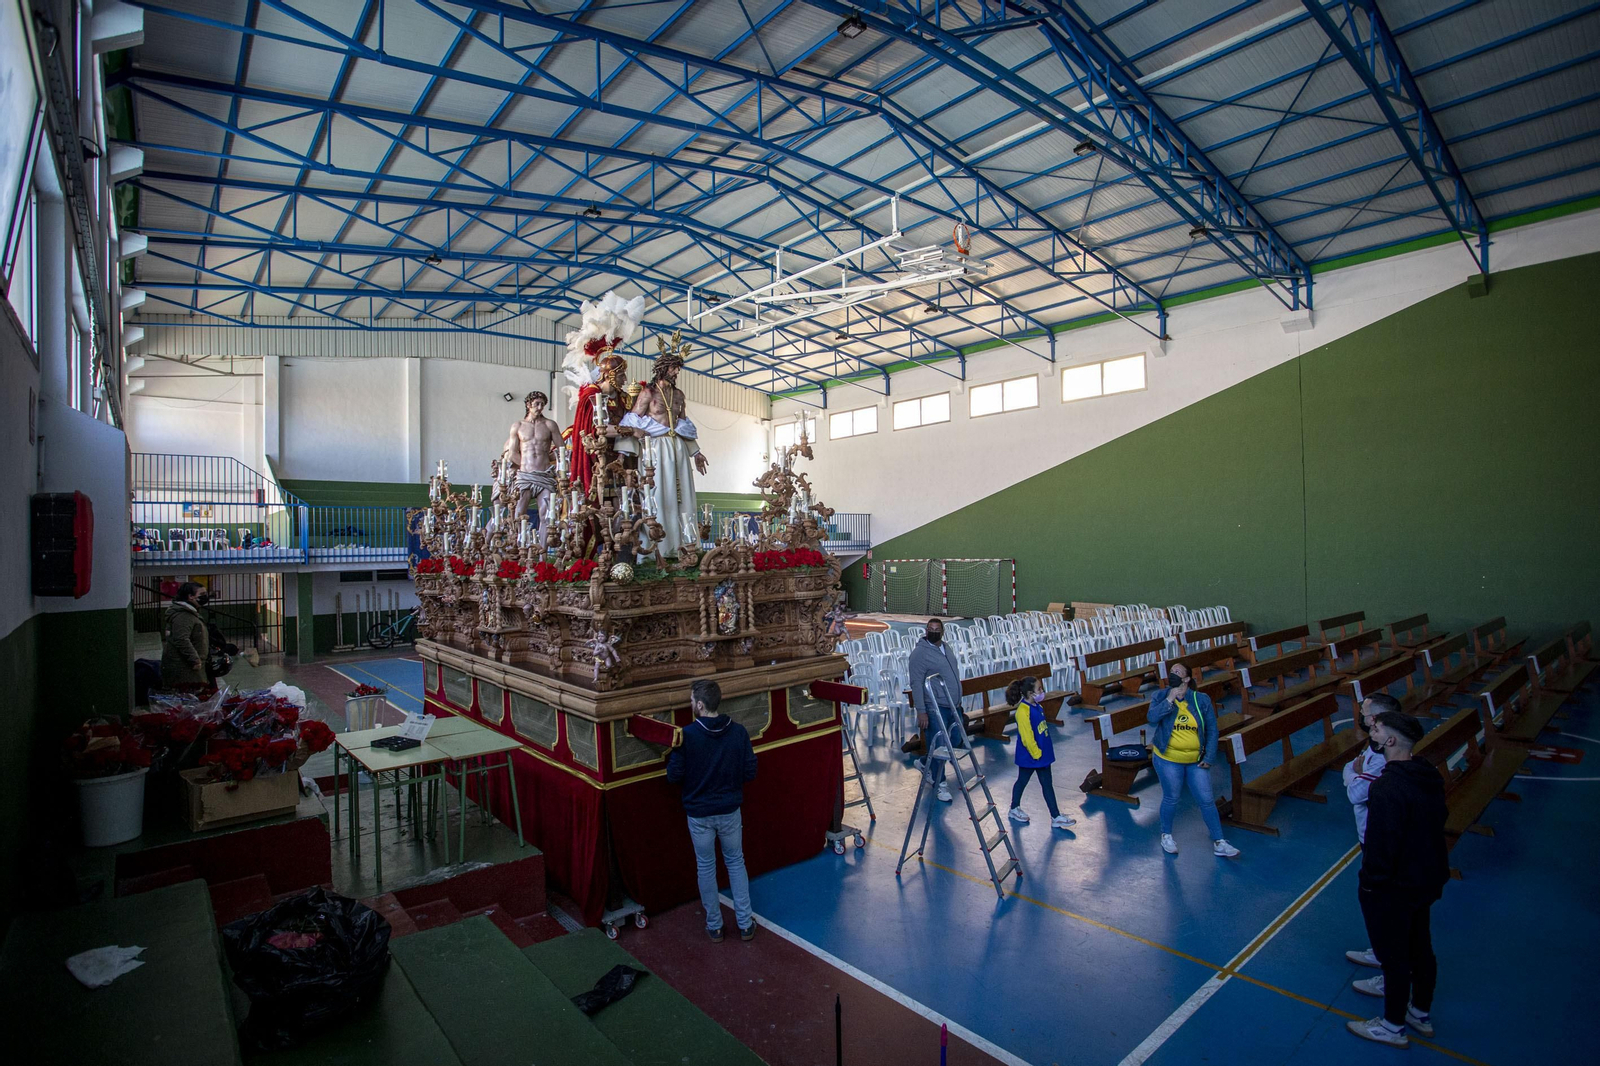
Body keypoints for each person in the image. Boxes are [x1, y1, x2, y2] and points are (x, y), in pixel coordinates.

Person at [1347, 710, 1448, 1049]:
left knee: (1394, 956)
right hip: (1427, 877)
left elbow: (1382, 843)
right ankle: (1419, 1012)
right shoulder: (1426, 774)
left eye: (1375, 728)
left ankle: (1391, 1026)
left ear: (1389, 740)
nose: (1370, 729)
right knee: (1421, 946)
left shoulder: (1388, 787)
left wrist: (1370, 884)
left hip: (1396, 885)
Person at [666, 680, 758, 943]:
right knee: (736, 862)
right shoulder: (738, 732)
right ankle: (744, 924)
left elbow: (674, 776)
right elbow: (750, 771)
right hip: (729, 811)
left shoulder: (687, 736)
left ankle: (715, 926)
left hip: (700, 815)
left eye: (691, 700)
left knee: (706, 867)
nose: (690, 704)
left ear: (700, 705)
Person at [618, 332, 709, 557]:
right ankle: (656, 550)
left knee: (682, 495)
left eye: (678, 368)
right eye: (673, 368)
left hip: (677, 448)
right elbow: (631, 421)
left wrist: (696, 453)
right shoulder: (648, 393)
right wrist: (624, 455)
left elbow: (684, 426)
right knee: (658, 496)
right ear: (663, 368)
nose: (677, 372)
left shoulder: (678, 394)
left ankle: (684, 546)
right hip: (655, 449)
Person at [1147, 663, 1240, 857]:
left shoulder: (1201, 700)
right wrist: (1169, 700)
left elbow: (1213, 730)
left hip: (1195, 760)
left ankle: (1219, 841)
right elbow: (1152, 718)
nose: (1174, 674)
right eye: (1172, 672)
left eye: (1178, 672)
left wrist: (1209, 756)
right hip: (1167, 758)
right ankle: (1166, 835)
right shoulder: (1160, 696)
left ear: (1187, 679)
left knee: (1206, 799)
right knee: (1171, 797)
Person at [1343, 692, 1399, 971]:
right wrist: (1353, 771)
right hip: (1369, 834)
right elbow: (1350, 767)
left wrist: (1353, 773)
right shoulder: (1375, 747)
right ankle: (1381, 951)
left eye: (1365, 714)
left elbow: (1355, 791)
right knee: (1376, 902)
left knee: (1381, 903)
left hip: (1376, 838)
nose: (1362, 718)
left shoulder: (1381, 758)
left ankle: (1388, 963)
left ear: (1376, 720)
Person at [907, 618, 967, 804]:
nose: (934, 632)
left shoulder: (945, 648)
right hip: (935, 706)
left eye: (937, 629)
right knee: (940, 745)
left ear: (942, 631)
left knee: (955, 740)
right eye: (930, 629)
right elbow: (916, 683)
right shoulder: (919, 654)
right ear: (926, 630)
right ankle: (940, 784)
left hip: (953, 705)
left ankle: (925, 762)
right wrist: (921, 711)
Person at [1006, 676, 1075, 830]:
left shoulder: (1038, 706)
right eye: (1039, 689)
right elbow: (1027, 737)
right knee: (1022, 781)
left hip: (1042, 755)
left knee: (1047, 784)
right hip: (1030, 757)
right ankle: (1014, 808)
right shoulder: (1023, 712)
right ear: (1030, 693)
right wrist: (1036, 754)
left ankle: (1055, 816)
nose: (1042, 692)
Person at [501, 390, 561, 548]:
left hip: (544, 475)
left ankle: (542, 554)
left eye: (542, 404)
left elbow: (562, 450)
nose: (540, 407)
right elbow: (512, 452)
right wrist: (525, 465)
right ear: (528, 405)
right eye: (537, 404)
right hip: (525, 475)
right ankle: (518, 550)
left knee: (546, 515)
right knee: (518, 513)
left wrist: (549, 461)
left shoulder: (550, 424)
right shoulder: (518, 426)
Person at [160, 582, 210, 690]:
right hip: (185, 668)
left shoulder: (189, 613)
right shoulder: (183, 616)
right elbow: (181, 639)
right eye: (202, 594)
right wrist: (194, 659)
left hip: (188, 666)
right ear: (190, 596)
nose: (205, 596)